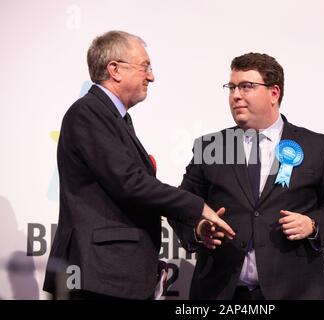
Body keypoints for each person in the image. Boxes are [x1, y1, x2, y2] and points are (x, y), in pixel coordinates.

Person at [43, 30, 234, 300]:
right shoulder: (88, 113)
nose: (151, 76)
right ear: (115, 69)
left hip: (111, 274)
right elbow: (130, 183)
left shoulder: (114, 117)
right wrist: (198, 207)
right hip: (99, 275)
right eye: (145, 67)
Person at [170, 52, 324, 300]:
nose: (236, 95)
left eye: (247, 86)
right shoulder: (211, 147)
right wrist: (198, 227)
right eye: (232, 87)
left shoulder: (316, 146)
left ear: (274, 93)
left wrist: (312, 224)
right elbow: (181, 205)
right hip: (221, 293)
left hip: (296, 292)